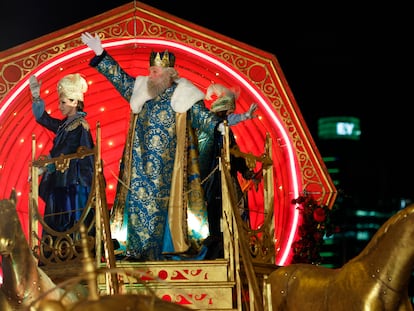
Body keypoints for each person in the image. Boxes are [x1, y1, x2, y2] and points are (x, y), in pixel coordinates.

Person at [81, 32, 223, 261]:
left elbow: (201, 115)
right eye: (150, 71)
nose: (150, 75)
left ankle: (166, 248)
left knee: (167, 210)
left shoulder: (183, 94)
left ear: (168, 74)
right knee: (139, 209)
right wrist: (100, 53)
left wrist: (218, 127)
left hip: (170, 168)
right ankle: (139, 251)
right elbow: (120, 79)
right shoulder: (142, 90)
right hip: (140, 164)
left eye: (155, 72)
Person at [29, 74, 95, 234]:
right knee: (57, 218)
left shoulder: (80, 125)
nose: (59, 106)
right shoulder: (65, 125)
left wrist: (45, 166)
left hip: (74, 184)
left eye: (63, 102)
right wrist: (37, 98)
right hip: (63, 181)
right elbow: (45, 120)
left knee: (69, 221)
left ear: (75, 102)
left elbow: (66, 148)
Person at [199, 83, 259, 259]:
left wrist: (246, 172)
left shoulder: (225, 131)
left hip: (226, 179)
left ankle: (232, 244)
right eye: (227, 113)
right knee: (214, 211)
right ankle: (216, 244)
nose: (229, 116)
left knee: (233, 210)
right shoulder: (208, 130)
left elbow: (234, 153)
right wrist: (244, 117)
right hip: (211, 180)